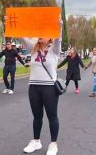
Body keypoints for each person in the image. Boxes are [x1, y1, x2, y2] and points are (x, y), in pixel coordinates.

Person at [20, 26, 62, 154]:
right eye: (39, 32)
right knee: (37, 116)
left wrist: (59, 26)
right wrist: (11, 22)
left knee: (52, 116)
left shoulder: (54, 49)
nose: (40, 35)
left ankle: (53, 144)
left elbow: (58, 39)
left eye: (44, 33)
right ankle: (36, 141)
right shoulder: (32, 48)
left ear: (51, 36)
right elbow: (21, 35)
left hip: (49, 87)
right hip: (34, 86)